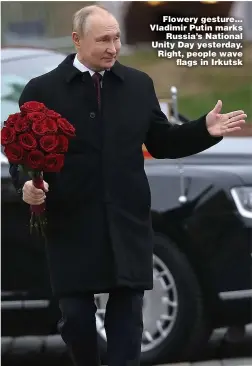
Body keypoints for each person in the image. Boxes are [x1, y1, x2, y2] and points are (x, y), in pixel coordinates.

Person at [9, 5, 247, 366]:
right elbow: (21, 158)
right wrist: (27, 185)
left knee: (128, 320)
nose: (113, 47)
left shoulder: (138, 85)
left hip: (128, 220)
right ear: (76, 40)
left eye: (117, 38)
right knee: (75, 317)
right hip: (71, 224)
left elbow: (161, 142)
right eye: (103, 39)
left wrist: (204, 130)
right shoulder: (42, 90)